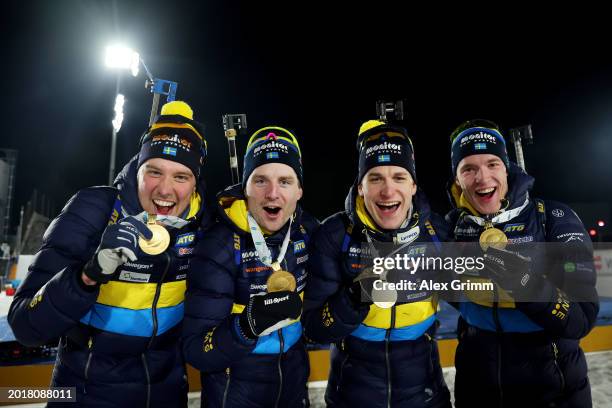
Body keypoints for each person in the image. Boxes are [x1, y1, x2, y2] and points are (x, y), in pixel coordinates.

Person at [9, 101, 211, 407]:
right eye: (154, 172)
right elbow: (25, 326)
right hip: (86, 393)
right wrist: (86, 276)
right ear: (138, 169)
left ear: (196, 183)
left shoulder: (204, 224)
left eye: (181, 177)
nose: (165, 191)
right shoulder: (94, 209)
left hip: (166, 393)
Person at [446, 119, 599, 407]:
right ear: (457, 179)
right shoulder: (451, 228)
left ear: (507, 168)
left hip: (553, 390)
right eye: (468, 168)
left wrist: (524, 283)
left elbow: (582, 318)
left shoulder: (553, 218)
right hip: (477, 387)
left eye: (492, 164)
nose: (482, 177)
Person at [302, 120, 452, 408]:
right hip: (353, 395)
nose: (387, 191)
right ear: (360, 187)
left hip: (425, 393)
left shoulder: (437, 232)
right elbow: (314, 329)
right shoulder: (335, 235)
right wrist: (355, 297)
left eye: (398, 177)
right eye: (375, 178)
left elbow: (476, 297)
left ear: (413, 185)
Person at [182, 126, 318, 407]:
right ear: (244, 188)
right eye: (259, 181)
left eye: (285, 181)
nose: (272, 193)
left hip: (293, 379)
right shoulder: (218, 245)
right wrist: (246, 327)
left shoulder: (308, 232)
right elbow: (196, 351)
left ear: (299, 190)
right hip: (235, 388)